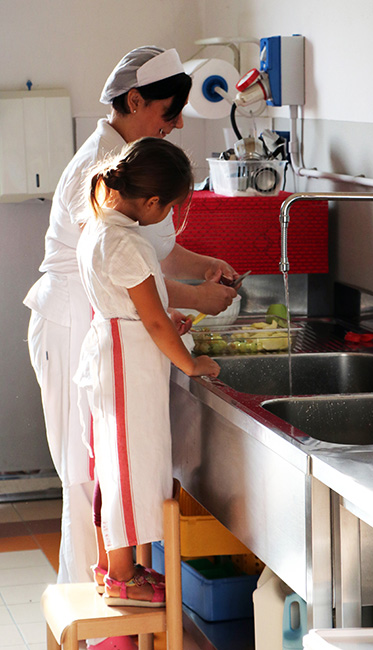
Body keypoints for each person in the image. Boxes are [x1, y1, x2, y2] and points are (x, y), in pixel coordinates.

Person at [23, 45, 236, 650]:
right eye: (168, 112)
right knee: (88, 480)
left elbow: (153, 248)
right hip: (75, 326)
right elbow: (131, 272)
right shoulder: (100, 163)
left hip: (108, 324)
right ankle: (100, 629)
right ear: (134, 101)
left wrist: (201, 270)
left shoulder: (133, 166)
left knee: (107, 474)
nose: (173, 125)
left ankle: (115, 602)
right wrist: (191, 300)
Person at [75, 137, 220, 612]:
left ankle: (117, 569)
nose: (172, 219)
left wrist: (165, 326)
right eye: (173, 209)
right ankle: (122, 580)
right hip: (126, 365)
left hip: (117, 350)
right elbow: (154, 319)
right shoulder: (128, 244)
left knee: (117, 467)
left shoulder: (100, 228)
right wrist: (191, 362)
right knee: (129, 469)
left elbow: (141, 313)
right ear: (153, 202)